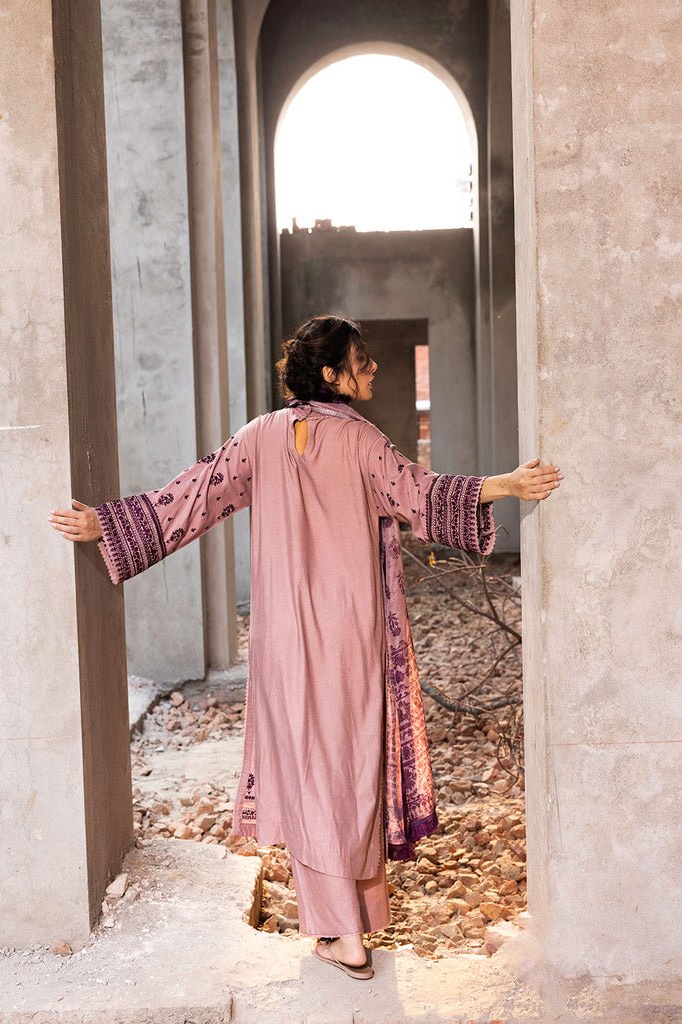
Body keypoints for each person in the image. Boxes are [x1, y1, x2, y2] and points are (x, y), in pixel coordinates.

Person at [48, 314, 563, 980]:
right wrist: (506, 485)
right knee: (350, 764)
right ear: (330, 373)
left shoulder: (259, 436)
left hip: (285, 639)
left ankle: (343, 929)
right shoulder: (363, 441)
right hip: (352, 632)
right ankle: (348, 927)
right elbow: (422, 496)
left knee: (308, 765)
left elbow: (192, 497)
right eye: (360, 360)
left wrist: (107, 525)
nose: (371, 368)